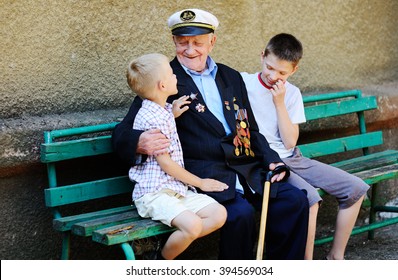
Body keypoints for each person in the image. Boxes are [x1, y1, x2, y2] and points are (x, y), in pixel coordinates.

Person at [113, 9, 309, 260]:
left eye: (197, 42)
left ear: (212, 42)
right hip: (204, 175)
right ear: (174, 41)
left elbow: (250, 129)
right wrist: (139, 141)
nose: (190, 49)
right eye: (183, 42)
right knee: (240, 214)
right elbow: (122, 132)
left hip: (246, 169)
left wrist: (271, 159)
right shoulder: (163, 80)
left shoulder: (231, 76)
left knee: (294, 202)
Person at [241, 33, 370, 260]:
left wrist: (279, 103)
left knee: (356, 188)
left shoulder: (292, 94)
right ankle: (306, 263)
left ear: (294, 70)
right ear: (262, 56)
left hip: (293, 157)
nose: (273, 76)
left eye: (282, 73)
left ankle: (335, 257)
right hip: (267, 161)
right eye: (269, 67)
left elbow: (290, 142)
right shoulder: (244, 83)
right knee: (310, 199)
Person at [125, 53, 228, 260]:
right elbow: (166, 164)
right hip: (154, 193)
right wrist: (201, 182)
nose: (176, 77)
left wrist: (172, 113)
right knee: (193, 225)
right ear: (163, 85)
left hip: (174, 190)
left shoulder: (161, 110)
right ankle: (160, 261)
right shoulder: (151, 118)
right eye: (172, 74)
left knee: (219, 215)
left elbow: (163, 120)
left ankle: (168, 242)